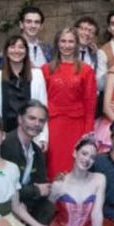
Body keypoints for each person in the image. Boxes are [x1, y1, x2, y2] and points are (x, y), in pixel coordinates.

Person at [47, 138, 114, 226]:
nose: (87, 159)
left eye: (92, 157)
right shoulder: (60, 182)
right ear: (74, 153)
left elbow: (97, 215)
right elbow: (47, 211)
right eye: (84, 153)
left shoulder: (99, 179)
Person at [43, 27, 97, 176]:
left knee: (75, 165)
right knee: (54, 166)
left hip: (77, 126)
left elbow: (90, 104)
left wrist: (87, 134)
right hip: (53, 126)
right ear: (57, 43)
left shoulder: (86, 70)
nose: (67, 45)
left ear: (77, 44)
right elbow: (41, 102)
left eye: (71, 41)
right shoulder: (46, 69)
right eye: (63, 41)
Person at [1, 101, 53, 226]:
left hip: (25, 200)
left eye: (41, 121)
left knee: (47, 207)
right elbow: (4, 187)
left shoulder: (37, 151)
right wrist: (35, 190)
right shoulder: (5, 144)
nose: (36, 124)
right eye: (32, 118)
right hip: (3, 201)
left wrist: (25, 203)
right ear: (20, 119)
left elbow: (42, 185)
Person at [0, 35, 48, 138]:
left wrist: (43, 138)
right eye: (12, 47)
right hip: (5, 135)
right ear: (6, 51)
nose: (17, 51)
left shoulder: (37, 75)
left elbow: (43, 106)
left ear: (26, 51)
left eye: (21, 47)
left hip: (33, 136)